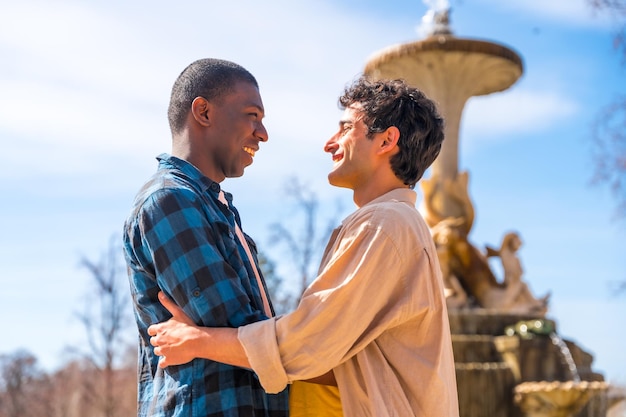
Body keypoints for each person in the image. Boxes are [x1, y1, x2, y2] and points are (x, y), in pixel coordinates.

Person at [148, 77, 460, 417]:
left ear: (386, 140)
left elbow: (308, 343)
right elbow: (336, 352)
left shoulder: (385, 224)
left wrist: (198, 341)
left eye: (345, 128)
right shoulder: (391, 224)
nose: (330, 143)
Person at [122, 58, 289, 416]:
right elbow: (240, 331)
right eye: (252, 115)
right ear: (203, 112)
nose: (263, 133)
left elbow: (250, 342)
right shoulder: (169, 201)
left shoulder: (215, 207)